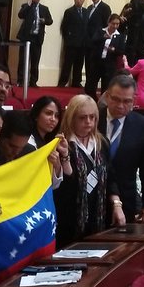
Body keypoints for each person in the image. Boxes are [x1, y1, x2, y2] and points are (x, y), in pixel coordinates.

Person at [99, 75, 144, 222]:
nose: (120, 105)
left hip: (126, 199)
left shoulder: (143, 126)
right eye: (116, 99)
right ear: (106, 96)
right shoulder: (93, 119)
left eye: (126, 101)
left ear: (134, 101)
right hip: (94, 197)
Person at [55, 93, 118, 245]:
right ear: (72, 118)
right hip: (71, 220)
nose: (88, 122)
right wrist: (64, 158)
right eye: (82, 118)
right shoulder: (62, 144)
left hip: (99, 217)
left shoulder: (102, 143)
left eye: (92, 117)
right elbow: (64, 188)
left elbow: (111, 177)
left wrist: (117, 204)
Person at [15, 0, 53, 84]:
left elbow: (50, 21)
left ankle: (33, 81)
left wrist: (44, 20)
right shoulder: (26, 6)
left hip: (37, 38)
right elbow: (20, 15)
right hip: (26, 38)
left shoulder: (44, 8)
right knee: (23, 60)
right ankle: (21, 80)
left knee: (35, 61)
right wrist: (28, 5)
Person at [86, 13, 125, 99]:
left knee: (106, 85)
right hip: (97, 62)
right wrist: (103, 38)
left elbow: (121, 50)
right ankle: (92, 99)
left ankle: (103, 102)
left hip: (109, 64)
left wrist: (114, 50)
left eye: (117, 24)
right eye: (113, 23)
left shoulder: (120, 36)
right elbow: (93, 42)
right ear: (109, 22)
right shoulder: (101, 31)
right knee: (91, 84)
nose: (115, 26)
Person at [57, 0, 90, 88]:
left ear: (83, 0)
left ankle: (76, 82)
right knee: (67, 64)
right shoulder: (69, 11)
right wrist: (68, 38)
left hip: (82, 43)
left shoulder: (86, 12)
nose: (79, 1)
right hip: (72, 43)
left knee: (79, 64)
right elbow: (64, 27)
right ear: (74, 0)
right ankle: (63, 82)